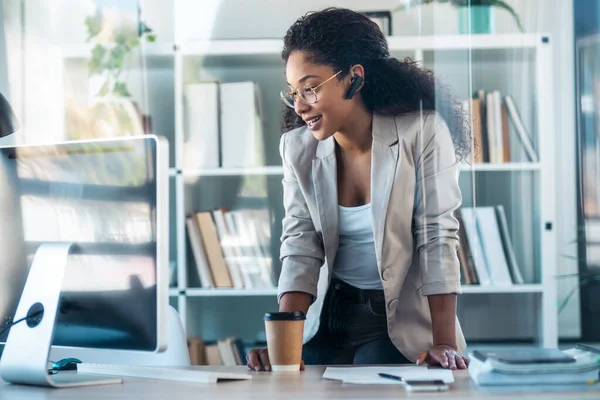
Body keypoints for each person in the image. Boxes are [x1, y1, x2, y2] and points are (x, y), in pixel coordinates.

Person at [247, 7, 472, 371]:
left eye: (311, 88)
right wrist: (284, 344)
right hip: (327, 316)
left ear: (354, 78)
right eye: (293, 93)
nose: (300, 106)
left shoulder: (422, 132)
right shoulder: (297, 148)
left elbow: (437, 237)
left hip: (396, 323)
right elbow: (300, 243)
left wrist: (444, 343)